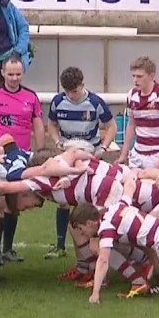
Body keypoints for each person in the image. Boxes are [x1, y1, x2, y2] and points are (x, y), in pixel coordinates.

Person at [0, 55, 45, 264]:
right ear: (3, 73)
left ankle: (8, 248)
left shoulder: (31, 97)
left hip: (20, 158)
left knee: (16, 204)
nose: (14, 78)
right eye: (10, 74)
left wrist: (39, 153)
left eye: (18, 74)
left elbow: (38, 124)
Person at [45, 66, 115, 259]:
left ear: (82, 85)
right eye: (67, 91)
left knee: (84, 201)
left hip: (89, 155)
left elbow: (111, 126)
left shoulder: (95, 102)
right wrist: (57, 141)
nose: (71, 95)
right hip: (67, 154)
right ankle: (60, 246)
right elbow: (51, 123)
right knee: (62, 200)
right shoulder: (58, 102)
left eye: (74, 91)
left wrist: (103, 147)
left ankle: (91, 252)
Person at [118, 56, 159, 169]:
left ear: (151, 76)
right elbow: (131, 125)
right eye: (133, 76)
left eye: (139, 76)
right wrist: (123, 154)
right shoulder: (132, 95)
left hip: (157, 153)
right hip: (137, 154)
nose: (135, 80)